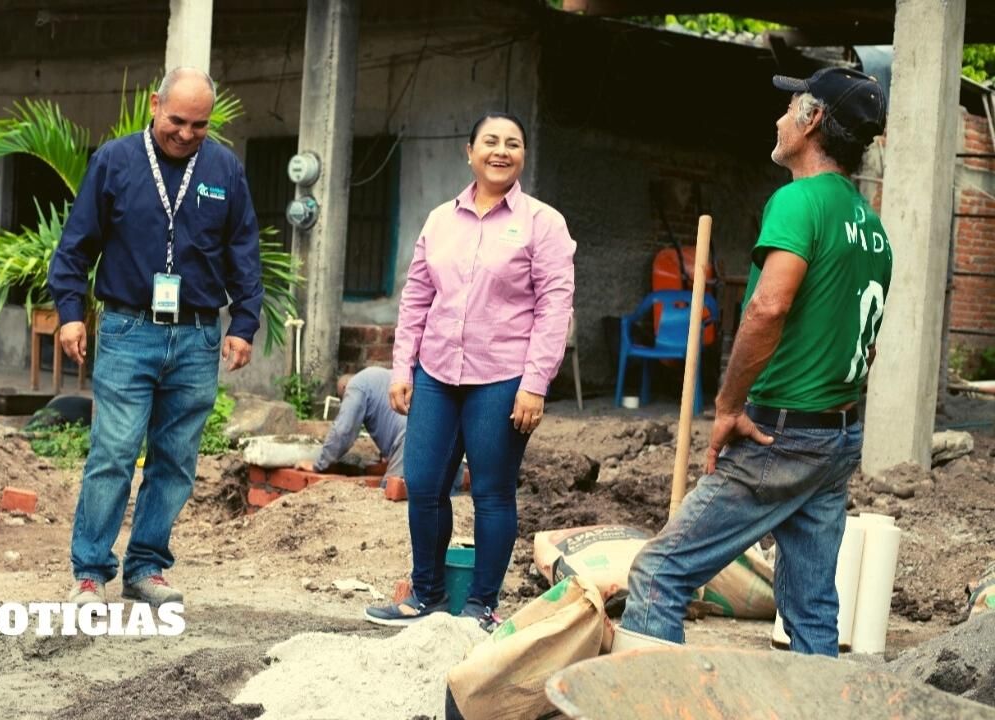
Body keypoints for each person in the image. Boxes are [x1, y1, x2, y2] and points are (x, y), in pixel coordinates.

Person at [620, 68, 891, 656]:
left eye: (789, 106)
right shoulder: (870, 224)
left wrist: (726, 405)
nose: (777, 118)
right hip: (837, 434)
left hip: (781, 437)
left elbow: (767, 307)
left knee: (658, 575)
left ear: (812, 120)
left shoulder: (798, 201)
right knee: (813, 609)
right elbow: (862, 340)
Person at [49, 67, 263, 606]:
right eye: (177, 120)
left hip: (196, 337)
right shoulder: (115, 160)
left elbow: (243, 249)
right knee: (114, 452)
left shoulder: (224, 170)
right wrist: (71, 312)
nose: (187, 134)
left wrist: (243, 322)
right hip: (127, 329)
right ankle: (91, 572)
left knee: (174, 460)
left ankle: (146, 567)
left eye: (200, 125)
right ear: (153, 105)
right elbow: (77, 244)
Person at [364, 112, 576, 628]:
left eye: (513, 143)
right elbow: (416, 296)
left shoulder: (542, 223)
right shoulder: (440, 220)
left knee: (492, 491)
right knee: (425, 483)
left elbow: (555, 305)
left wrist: (535, 384)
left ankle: (482, 604)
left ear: (523, 155)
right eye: (490, 142)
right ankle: (426, 595)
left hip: (503, 378)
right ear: (470, 152)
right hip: (437, 373)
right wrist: (401, 369)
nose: (501, 151)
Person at [294, 367, 463, 490]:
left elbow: (343, 430)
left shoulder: (356, 385)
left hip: (412, 439)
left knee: (387, 498)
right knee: (444, 502)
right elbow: (390, 417)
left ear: (345, 389)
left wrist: (319, 465)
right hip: (447, 437)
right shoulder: (384, 378)